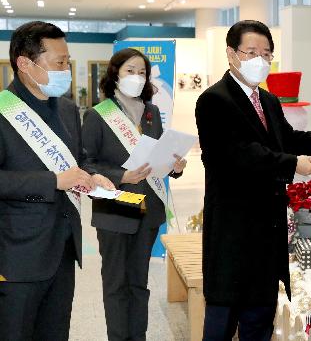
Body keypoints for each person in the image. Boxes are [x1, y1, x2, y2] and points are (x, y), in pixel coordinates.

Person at [195, 20, 311, 340]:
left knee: (259, 318)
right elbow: (238, 155)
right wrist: (293, 165)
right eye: (251, 52)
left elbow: (290, 139)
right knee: (222, 319)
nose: (260, 60)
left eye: (267, 53)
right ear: (232, 54)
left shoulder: (268, 101)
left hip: (267, 230)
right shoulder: (214, 100)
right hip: (232, 230)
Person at [0, 21, 113, 340]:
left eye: (68, 60)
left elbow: (79, 160)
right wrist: (51, 181)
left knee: (56, 332)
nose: (67, 69)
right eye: (59, 62)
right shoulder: (2, 112)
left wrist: (92, 175)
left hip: (63, 248)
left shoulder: (66, 109)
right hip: (17, 255)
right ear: (25, 63)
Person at [81, 48, 187, 341]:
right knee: (116, 283)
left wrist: (175, 166)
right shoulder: (98, 115)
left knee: (139, 282)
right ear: (115, 73)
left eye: (142, 72)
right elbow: (85, 163)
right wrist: (121, 176)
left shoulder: (151, 113)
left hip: (148, 208)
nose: (137, 77)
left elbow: (159, 158)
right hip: (115, 205)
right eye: (130, 71)